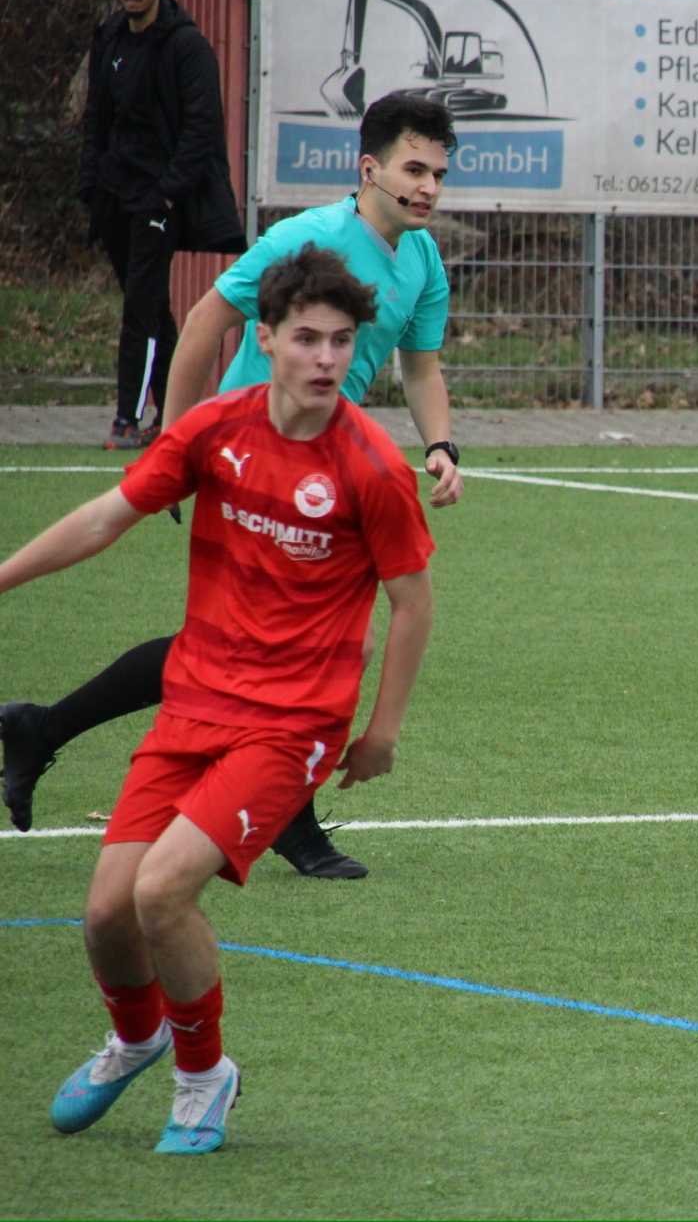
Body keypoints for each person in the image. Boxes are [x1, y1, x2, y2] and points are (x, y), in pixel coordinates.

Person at [2, 243, 434, 1153]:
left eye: (341, 341)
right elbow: (107, 516)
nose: (326, 358)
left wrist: (382, 732)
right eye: (307, 338)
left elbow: (412, 601)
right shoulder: (214, 431)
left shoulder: (372, 466)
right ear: (265, 339)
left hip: (292, 725)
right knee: (106, 915)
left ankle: (204, 1076)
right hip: (194, 701)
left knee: (160, 892)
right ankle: (137, 1038)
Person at [2, 93, 463, 881]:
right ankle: (286, 819)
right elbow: (207, 320)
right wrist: (178, 441)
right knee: (297, 643)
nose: (427, 188)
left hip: (328, 466)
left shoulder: (421, 260)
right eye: (413, 170)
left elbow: (420, 368)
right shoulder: (306, 239)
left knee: (257, 645)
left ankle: (44, 729)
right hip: (251, 462)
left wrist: (442, 445)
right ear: (369, 169)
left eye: (439, 175)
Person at [78, 0, 245, 450]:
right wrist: (91, 184)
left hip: (156, 201)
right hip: (114, 194)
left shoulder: (187, 46)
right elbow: (95, 118)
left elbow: (202, 127)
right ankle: (173, 416)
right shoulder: (109, 38)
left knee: (141, 310)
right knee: (149, 307)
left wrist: (167, 195)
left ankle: (126, 420)